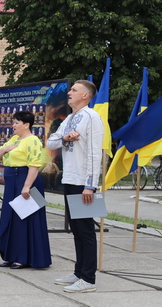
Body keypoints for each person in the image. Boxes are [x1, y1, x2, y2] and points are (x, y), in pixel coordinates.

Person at [47, 81, 103, 293]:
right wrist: (65, 137)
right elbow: (51, 142)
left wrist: (90, 185)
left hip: (83, 183)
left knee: (86, 230)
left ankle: (88, 279)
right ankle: (79, 272)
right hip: (69, 179)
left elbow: (95, 152)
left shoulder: (91, 117)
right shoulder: (70, 118)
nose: (69, 93)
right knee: (76, 230)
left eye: (74, 90)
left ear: (85, 96)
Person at [0, 110, 51, 269]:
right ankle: (10, 255)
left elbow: (34, 165)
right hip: (11, 181)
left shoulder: (33, 140)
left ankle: (23, 257)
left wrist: (26, 186)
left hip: (27, 181)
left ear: (26, 125)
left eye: (16, 123)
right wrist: (6, 149)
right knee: (10, 217)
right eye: (13, 122)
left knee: (24, 220)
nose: (13, 125)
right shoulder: (14, 139)